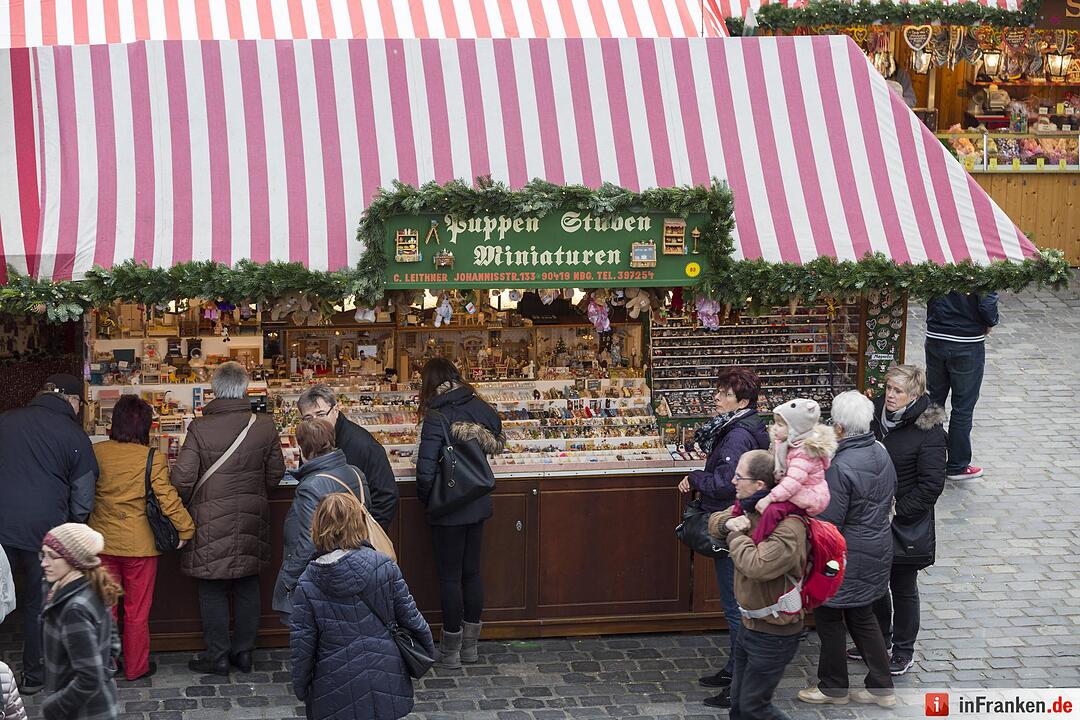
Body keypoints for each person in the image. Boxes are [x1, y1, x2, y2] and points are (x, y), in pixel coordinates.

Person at [170, 361, 286, 676]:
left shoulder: (200, 427)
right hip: (252, 517)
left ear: (215, 390)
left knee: (212, 587)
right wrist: (253, 492)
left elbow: (182, 478)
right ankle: (245, 652)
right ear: (244, 389)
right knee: (248, 583)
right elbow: (277, 472)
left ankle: (218, 656)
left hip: (209, 520)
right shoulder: (263, 425)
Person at [290, 493, 433, 720]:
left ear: (317, 526)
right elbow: (412, 618)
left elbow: (303, 644)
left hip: (333, 681)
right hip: (385, 671)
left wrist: (301, 686)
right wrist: (425, 651)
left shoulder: (307, 582)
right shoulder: (384, 566)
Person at [0, 374, 99, 694]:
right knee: (36, 604)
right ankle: (34, 675)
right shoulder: (74, 434)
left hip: (1, 528)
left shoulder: (5, 421)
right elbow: (83, 497)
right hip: (45, 534)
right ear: (71, 400)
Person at [676, 368, 769, 705]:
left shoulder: (735, 437)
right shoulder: (743, 427)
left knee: (735, 607)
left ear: (741, 401)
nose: (716, 396)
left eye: (724, 393)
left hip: (735, 527)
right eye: (718, 390)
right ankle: (734, 669)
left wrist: (696, 477)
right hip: (740, 524)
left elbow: (725, 483)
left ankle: (739, 686)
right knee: (737, 604)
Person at [797, 391, 896, 708]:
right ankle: (882, 686)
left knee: (829, 618)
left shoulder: (840, 467)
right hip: (875, 546)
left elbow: (829, 519)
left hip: (844, 555)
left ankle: (833, 686)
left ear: (838, 427)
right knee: (863, 615)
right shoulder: (880, 451)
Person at [89, 395, 195, 682]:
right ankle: (136, 667)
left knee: (105, 608)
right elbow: (167, 499)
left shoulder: (97, 452)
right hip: (140, 547)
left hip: (103, 543)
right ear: (145, 426)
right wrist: (186, 529)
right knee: (137, 611)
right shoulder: (152, 458)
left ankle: (106, 665)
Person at [705, 449, 808, 720]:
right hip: (750, 625)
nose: (733, 481)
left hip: (774, 632)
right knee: (739, 707)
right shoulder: (749, 506)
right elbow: (715, 522)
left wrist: (736, 535)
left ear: (760, 485)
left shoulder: (787, 525)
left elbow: (757, 566)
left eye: (739, 476)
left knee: (754, 707)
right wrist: (729, 523)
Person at [414, 358, 503, 669]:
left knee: (450, 578)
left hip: (448, 507)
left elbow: (425, 471)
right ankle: (471, 648)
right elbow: (497, 438)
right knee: (472, 573)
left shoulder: (437, 414)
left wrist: (429, 501)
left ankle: (450, 650)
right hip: (477, 502)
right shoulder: (478, 405)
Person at [871, 364, 946, 675]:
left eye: (898, 391)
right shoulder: (874, 414)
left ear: (914, 395)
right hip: (871, 518)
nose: (890, 395)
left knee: (902, 587)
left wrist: (897, 511)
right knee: (875, 584)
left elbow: (932, 485)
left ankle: (903, 650)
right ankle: (879, 641)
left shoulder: (928, 431)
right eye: (888, 388)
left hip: (905, 523)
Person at [273, 419, 370, 618]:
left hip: (321, 576)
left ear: (303, 449)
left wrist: (288, 579)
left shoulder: (311, 486)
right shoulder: (355, 473)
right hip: (356, 566)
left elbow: (309, 541)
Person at [38, 523, 121, 720]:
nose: (44, 563)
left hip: (83, 713)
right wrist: (104, 670)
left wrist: (53, 707)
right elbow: (113, 641)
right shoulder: (80, 586)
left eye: (52, 556)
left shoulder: (75, 609)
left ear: (73, 560)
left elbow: (89, 679)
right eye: (43, 554)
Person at [297, 385, 399, 530]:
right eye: (308, 418)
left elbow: (387, 496)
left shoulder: (364, 445)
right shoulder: (310, 442)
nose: (315, 422)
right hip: (323, 537)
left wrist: (364, 534)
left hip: (357, 540)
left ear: (336, 410)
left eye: (321, 414)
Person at [924, 291, 999, 480]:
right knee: (963, 407)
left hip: (936, 336)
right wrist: (990, 322)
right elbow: (987, 305)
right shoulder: (980, 262)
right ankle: (957, 465)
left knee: (934, 401)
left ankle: (928, 459)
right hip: (967, 341)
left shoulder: (938, 260)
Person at [749, 398, 836, 519]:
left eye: (780, 425)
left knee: (772, 512)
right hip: (793, 491)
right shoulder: (787, 445)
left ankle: (759, 537)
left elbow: (792, 482)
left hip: (808, 496)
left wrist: (770, 498)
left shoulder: (804, 452)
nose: (775, 428)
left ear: (795, 429)